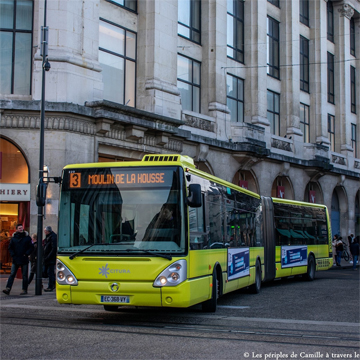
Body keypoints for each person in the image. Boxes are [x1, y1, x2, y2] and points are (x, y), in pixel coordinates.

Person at [3, 224, 34, 295]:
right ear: (16, 229)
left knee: (24, 275)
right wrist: (13, 255)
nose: (21, 229)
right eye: (19, 228)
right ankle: (8, 288)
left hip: (24, 258)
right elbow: (10, 247)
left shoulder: (27, 238)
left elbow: (31, 247)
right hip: (16, 258)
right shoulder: (14, 238)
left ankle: (24, 289)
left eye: (21, 228)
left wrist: (26, 254)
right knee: (12, 274)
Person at [43, 226, 57, 292]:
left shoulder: (52, 237)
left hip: (50, 258)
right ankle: (52, 284)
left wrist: (48, 256)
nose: (44, 232)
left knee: (50, 272)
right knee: (49, 272)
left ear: (47, 231)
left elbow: (53, 248)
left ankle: (51, 285)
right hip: (48, 257)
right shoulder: (49, 236)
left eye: (45, 231)